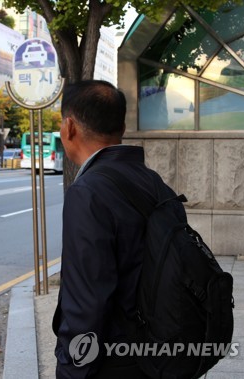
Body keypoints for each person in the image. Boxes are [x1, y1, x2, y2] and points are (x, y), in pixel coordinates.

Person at [52, 80, 185, 378]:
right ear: (122, 128)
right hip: (157, 353)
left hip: (113, 362)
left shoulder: (87, 192)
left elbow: (86, 303)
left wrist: (72, 371)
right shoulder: (154, 182)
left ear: (69, 128)